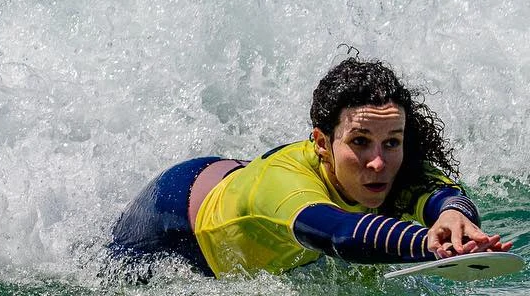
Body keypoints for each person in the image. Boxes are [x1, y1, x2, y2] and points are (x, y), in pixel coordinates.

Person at [109, 57, 512, 277]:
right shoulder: (286, 188)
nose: (379, 162)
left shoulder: (392, 163)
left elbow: (437, 191)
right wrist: (426, 244)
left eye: (392, 142)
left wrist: (455, 218)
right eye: (359, 142)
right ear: (322, 142)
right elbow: (340, 234)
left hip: (241, 180)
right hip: (175, 225)